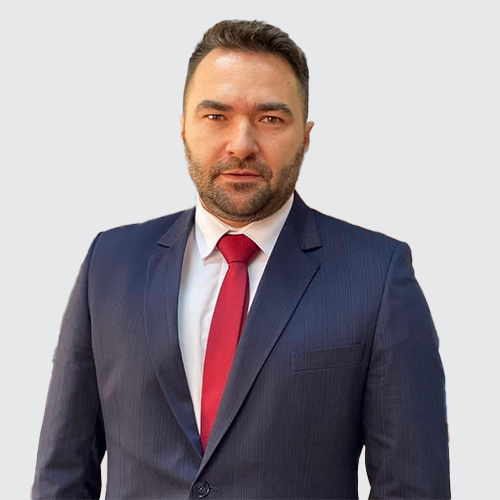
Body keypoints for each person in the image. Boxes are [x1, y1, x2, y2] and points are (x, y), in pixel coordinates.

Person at [32, 19, 451, 500]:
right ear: (183, 128)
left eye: (270, 119)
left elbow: (413, 487)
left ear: (306, 137)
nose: (242, 144)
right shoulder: (109, 264)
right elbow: (62, 476)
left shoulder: (377, 277)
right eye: (216, 116)